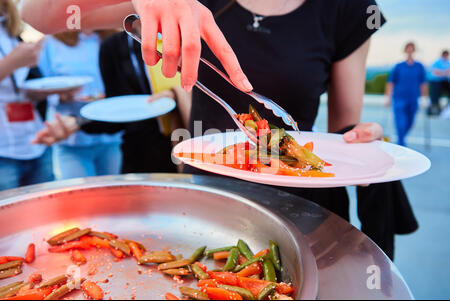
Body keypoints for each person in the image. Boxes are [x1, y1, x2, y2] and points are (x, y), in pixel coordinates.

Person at [22, 0, 418, 260]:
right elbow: (39, 15)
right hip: (204, 208)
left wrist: (363, 140)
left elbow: (344, 127)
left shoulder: (349, 8)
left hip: (308, 216)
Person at [38, 30, 124, 179]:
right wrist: (61, 95)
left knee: (111, 195)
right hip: (71, 138)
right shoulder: (50, 43)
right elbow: (39, 87)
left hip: (110, 135)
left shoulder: (112, 38)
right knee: (81, 198)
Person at [0, 0, 54, 191]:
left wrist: (48, 92)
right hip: (3, 152)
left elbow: (20, 89)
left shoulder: (10, 31)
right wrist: (12, 62)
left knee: (48, 217)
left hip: (35, 143)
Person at [385, 42, 428, 147]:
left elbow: (423, 83)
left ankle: (401, 139)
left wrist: (425, 98)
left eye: (411, 48)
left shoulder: (419, 66)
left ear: (414, 50)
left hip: (413, 99)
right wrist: (388, 98)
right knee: (401, 123)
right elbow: (390, 83)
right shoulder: (399, 66)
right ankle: (401, 144)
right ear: (405, 50)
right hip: (399, 98)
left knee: (410, 122)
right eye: (408, 48)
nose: (409, 50)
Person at [428, 50, 449, 115]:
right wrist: (444, 72)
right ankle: (434, 106)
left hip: (445, 81)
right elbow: (435, 72)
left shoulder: (448, 63)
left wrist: (442, 72)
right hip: (435, 82)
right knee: (435, 92)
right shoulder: (437, 62)